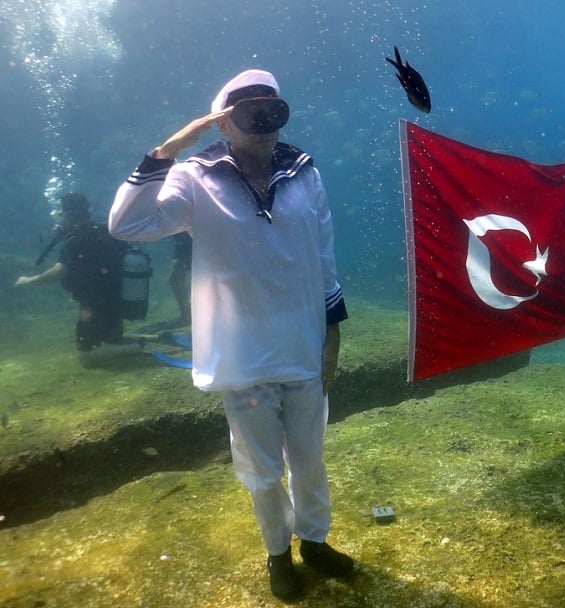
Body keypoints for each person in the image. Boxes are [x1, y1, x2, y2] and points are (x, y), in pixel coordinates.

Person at [107, 69, 352, 601]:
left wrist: (332, 333)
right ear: (223, 122)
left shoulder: (304, 172)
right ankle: (278, 554)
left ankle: (314, 542)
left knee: (309, 458)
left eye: (273, 113)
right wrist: (168, 150)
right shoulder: (195, 176)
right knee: (262, 469)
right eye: (249, 116)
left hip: (304, 344)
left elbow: (324, 254)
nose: (264, 126)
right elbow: (127, 225)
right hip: (241, 355)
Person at [14, 193, 143, 368]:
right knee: (111, 339)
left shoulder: (75, 241)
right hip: (117, 299)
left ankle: (138, 348)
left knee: (85, 357)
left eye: (59, 215)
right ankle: (157, 338)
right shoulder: (104, 230)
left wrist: (29, 281)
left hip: (94, 305)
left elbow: (58, 272)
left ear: (68, 215)